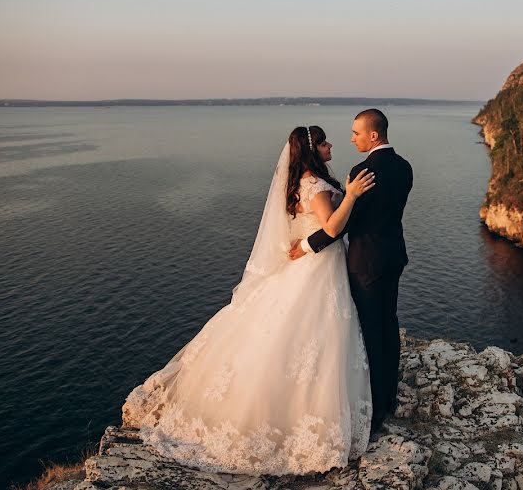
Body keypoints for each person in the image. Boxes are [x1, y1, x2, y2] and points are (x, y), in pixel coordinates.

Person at [122, 126, 376, 475]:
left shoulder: (301, 181)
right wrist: (351, 195)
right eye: (324, 141)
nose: (332, 145)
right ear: (312, 149)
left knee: (289, 336)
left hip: (309, 266)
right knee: (316, 338)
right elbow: (331, 228)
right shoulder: (315, 185)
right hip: (318, 271)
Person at [290, 109, 413, 434]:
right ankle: (389, 396)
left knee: (371, 331)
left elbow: (343, 225)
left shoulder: (363, 171)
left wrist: (305, 246)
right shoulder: (405, 167)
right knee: (389, 323)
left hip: (366, 262)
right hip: (393, 256)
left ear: (373, 135)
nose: (352, 138)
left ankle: (374, 413)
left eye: (357, 133)